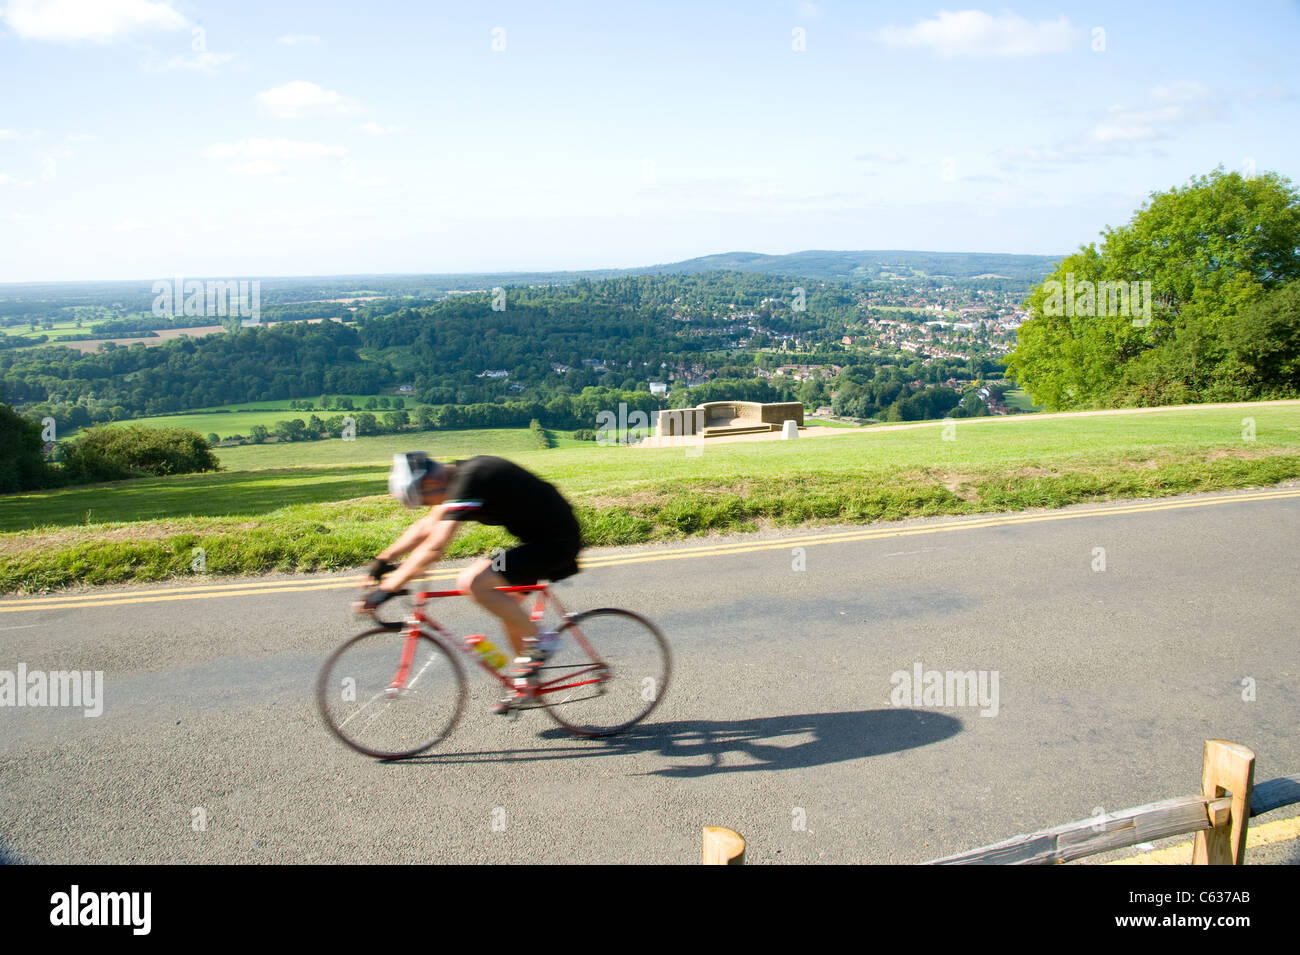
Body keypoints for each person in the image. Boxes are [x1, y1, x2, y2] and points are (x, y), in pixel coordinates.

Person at [355, 452, 583, 706]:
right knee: (507, 606)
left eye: (423, 500)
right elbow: (427, 526)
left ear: (430, 484)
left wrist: (387, 588)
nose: (427, 506)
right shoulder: (456, 482)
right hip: (537, 541)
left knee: (472, 581)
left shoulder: (471, 478)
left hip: (556, 543)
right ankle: (527, 685)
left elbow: (435, 548)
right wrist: (382, 561)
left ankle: (544, 641)